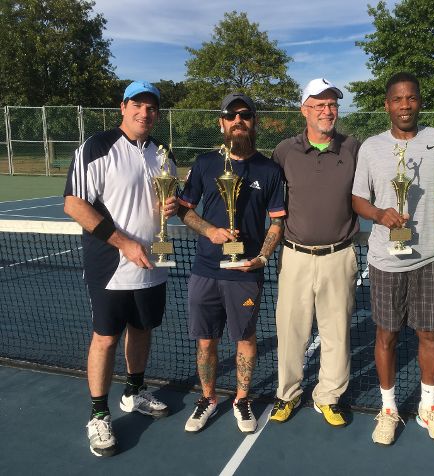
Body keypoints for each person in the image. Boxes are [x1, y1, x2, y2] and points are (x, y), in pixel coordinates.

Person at [63, 80, 178, 457]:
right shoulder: (97, 146)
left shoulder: (163, 154)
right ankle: (98, 414)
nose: (145, 112)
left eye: (151, 107)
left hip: (153, 264)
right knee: (106, 338)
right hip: (111, 267)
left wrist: (170, 208)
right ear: (123, 107)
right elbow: (75, 205)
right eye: (137, 105)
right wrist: (123, 243)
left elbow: (165, 200)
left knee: (142, 329)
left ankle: (135, 391)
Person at [352, 72, 434, 445]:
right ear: (387, 105)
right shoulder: (370, 148)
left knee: (429, 334)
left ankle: (428, 408)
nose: (405, 105)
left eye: (411, 98)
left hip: (432, 257)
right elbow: (358, 199)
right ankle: (389, 409)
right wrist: (381, 215)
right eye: (397, 99)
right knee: (387, 335)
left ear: (419, 101)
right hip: (386, 260)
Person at [178, 93, 285, 434]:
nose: (238, 120)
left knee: (245, 337)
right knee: (206, 341)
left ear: (254, 121)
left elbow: (277, 222)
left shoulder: (270, 169)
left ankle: (241, 399)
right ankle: (208, 398)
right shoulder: (205, 163)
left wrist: (263, 257)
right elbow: (184, 209)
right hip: (205, 270)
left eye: (245, 114)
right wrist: (209, 230)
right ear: (221, 122)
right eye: (231, 115)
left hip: (245, 273)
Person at [269, 78, 360, 427]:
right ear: (304, 110)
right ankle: (287, 394)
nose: (327, 110)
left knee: (337, 331)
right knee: (291, 330)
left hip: (340, 255)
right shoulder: (284, 151)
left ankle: (329, 397)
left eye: (332, 104)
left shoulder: (353, 147)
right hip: (294, 256)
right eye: (319, 104)